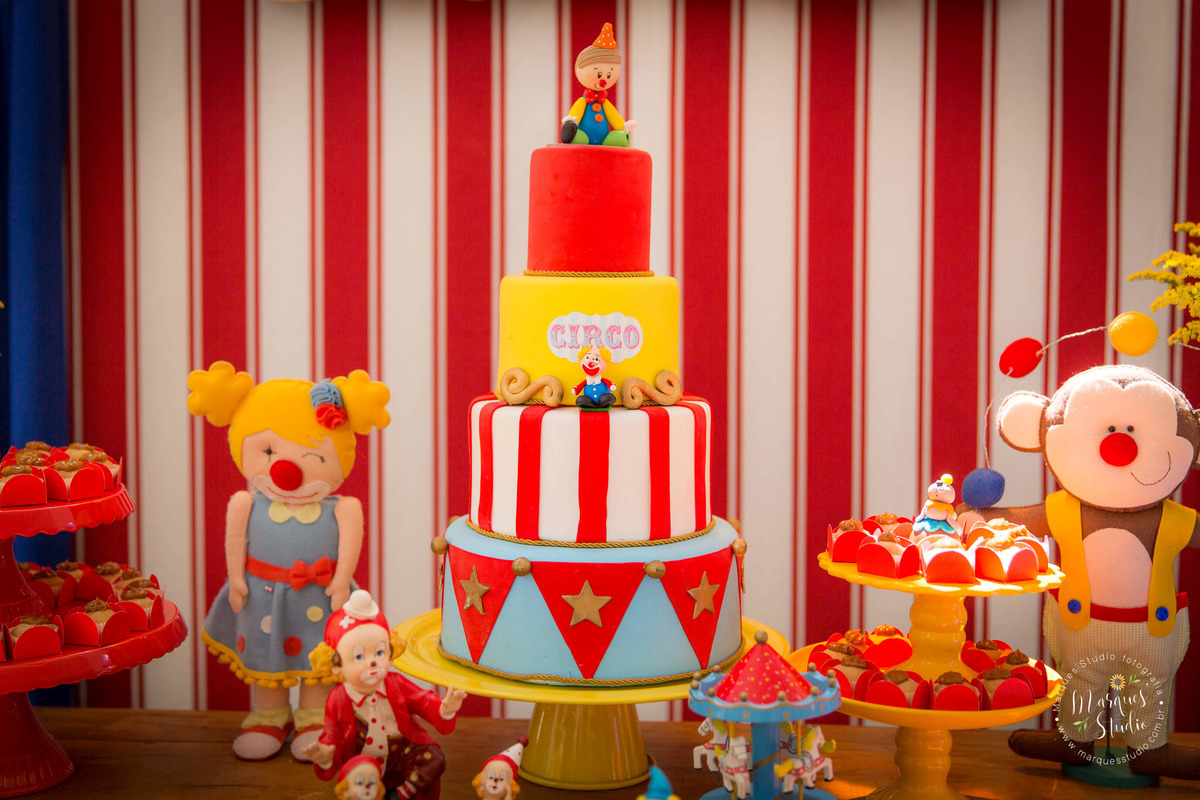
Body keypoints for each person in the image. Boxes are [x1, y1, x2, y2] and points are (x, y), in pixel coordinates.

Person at [188, 361, 390, 761]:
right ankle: (268, 715)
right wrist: (236, 580)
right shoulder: (246, 503)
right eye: (268, 450)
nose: (286, 471)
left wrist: (341, 582)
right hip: (261, 596)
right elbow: (236, 543)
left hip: (319, 597)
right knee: (266, 653)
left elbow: (348, 551)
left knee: (316, 659)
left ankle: (314, 718)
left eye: (313, 456)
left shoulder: (343, 508)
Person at [306, 590, 468, 799]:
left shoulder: (395, 684)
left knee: (434, 758)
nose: (372, 661)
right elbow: (332, 734)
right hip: (362, 761)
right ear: (337, 665)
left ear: (390, 654)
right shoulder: (338, 699)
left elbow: (422, 701)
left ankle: (401, 794)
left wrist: (444, 708)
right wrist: (326, 754)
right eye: (358, 656)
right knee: (362, 780)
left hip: (402, 755)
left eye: (380, 652)